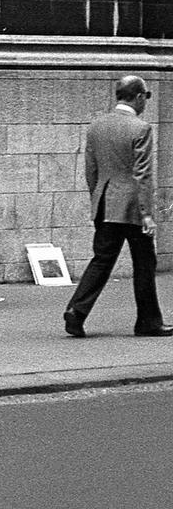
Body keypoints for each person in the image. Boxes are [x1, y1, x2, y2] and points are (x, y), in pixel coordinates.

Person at [63, 76, 172, 337]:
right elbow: (142, 175)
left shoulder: (96, 126)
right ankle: (148, 321)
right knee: (144, 263)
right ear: (137, 97)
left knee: (101, 260)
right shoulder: (141, 128)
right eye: (145, 96)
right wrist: (147, 214)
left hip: (104, 202)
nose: (145, 101)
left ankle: (77, 310)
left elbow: (91, 169)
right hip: (132, 207)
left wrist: (96, 198)